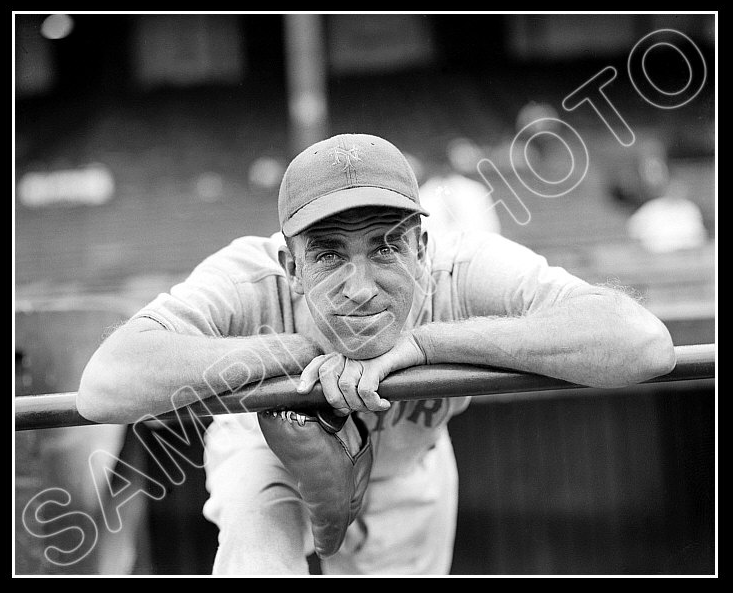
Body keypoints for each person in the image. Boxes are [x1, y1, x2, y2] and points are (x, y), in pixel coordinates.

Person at [77, 133, 676, 575]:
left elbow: (642, 344)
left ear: (422, 248)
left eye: (385, 248)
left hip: (405, 475)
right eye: (329, 254)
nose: (360, 287)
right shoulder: (246, 276)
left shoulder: (463, 265)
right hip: (269, 449)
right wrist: (298, 349)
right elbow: (104, 386)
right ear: (290, 266)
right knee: (258, 552)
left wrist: (425, 343)